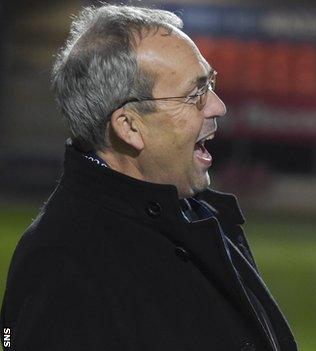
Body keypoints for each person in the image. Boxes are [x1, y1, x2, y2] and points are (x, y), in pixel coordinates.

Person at [0, 5, 297, 351]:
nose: (218, 106)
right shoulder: (60, 264)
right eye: (195, 94)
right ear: (129, 126)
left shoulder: (197, 214)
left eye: (210, 83)